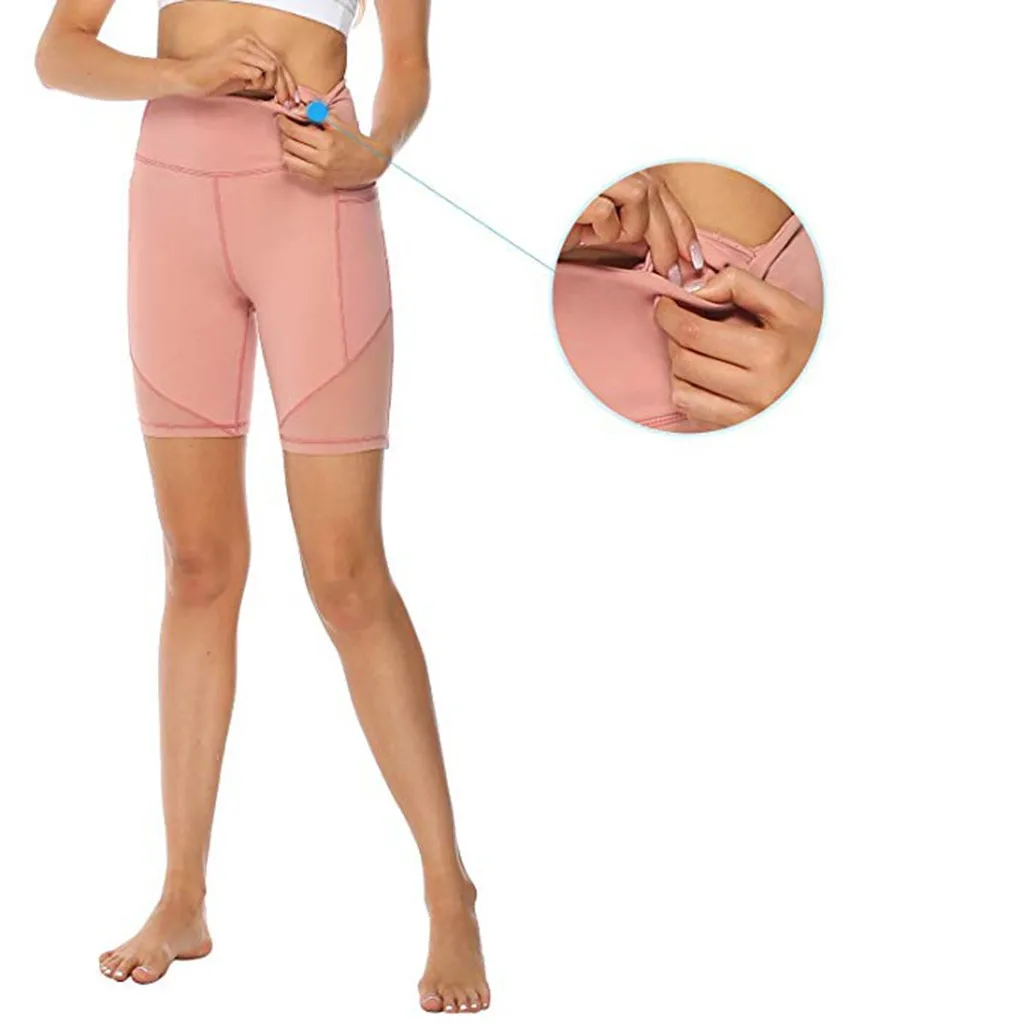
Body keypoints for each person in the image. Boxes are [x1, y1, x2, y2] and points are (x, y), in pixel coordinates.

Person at [35, 0, 489, 1012]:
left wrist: (372, 151)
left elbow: (408, 67)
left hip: (311, 198)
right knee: (197, 564)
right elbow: (58, 53)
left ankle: (446, 888)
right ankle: (182, 895)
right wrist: (178, 77)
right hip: (170, 198)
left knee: (345, 573)